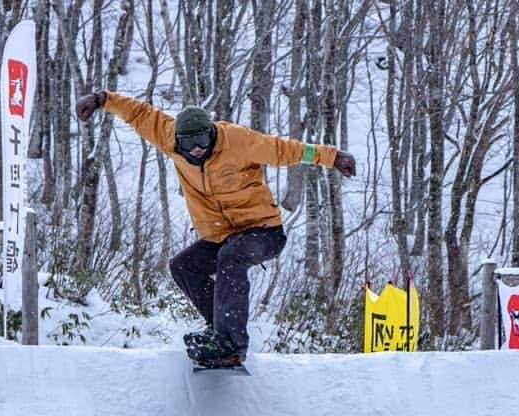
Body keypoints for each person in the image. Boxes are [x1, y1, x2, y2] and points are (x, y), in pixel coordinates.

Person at [75, 91, 356, 367]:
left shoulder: (237, 140)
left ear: (211, 133)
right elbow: (138, 113)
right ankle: (219, 331)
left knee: (231, 258)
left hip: (264, 231)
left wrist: (332, 157)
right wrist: (101, 100)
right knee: (184, 266)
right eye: (191, 142)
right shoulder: (167, 136)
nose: (198, 148)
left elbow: (286, 150)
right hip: (222, 235)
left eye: (203, 139)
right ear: (178, 141)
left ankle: (231, 343)